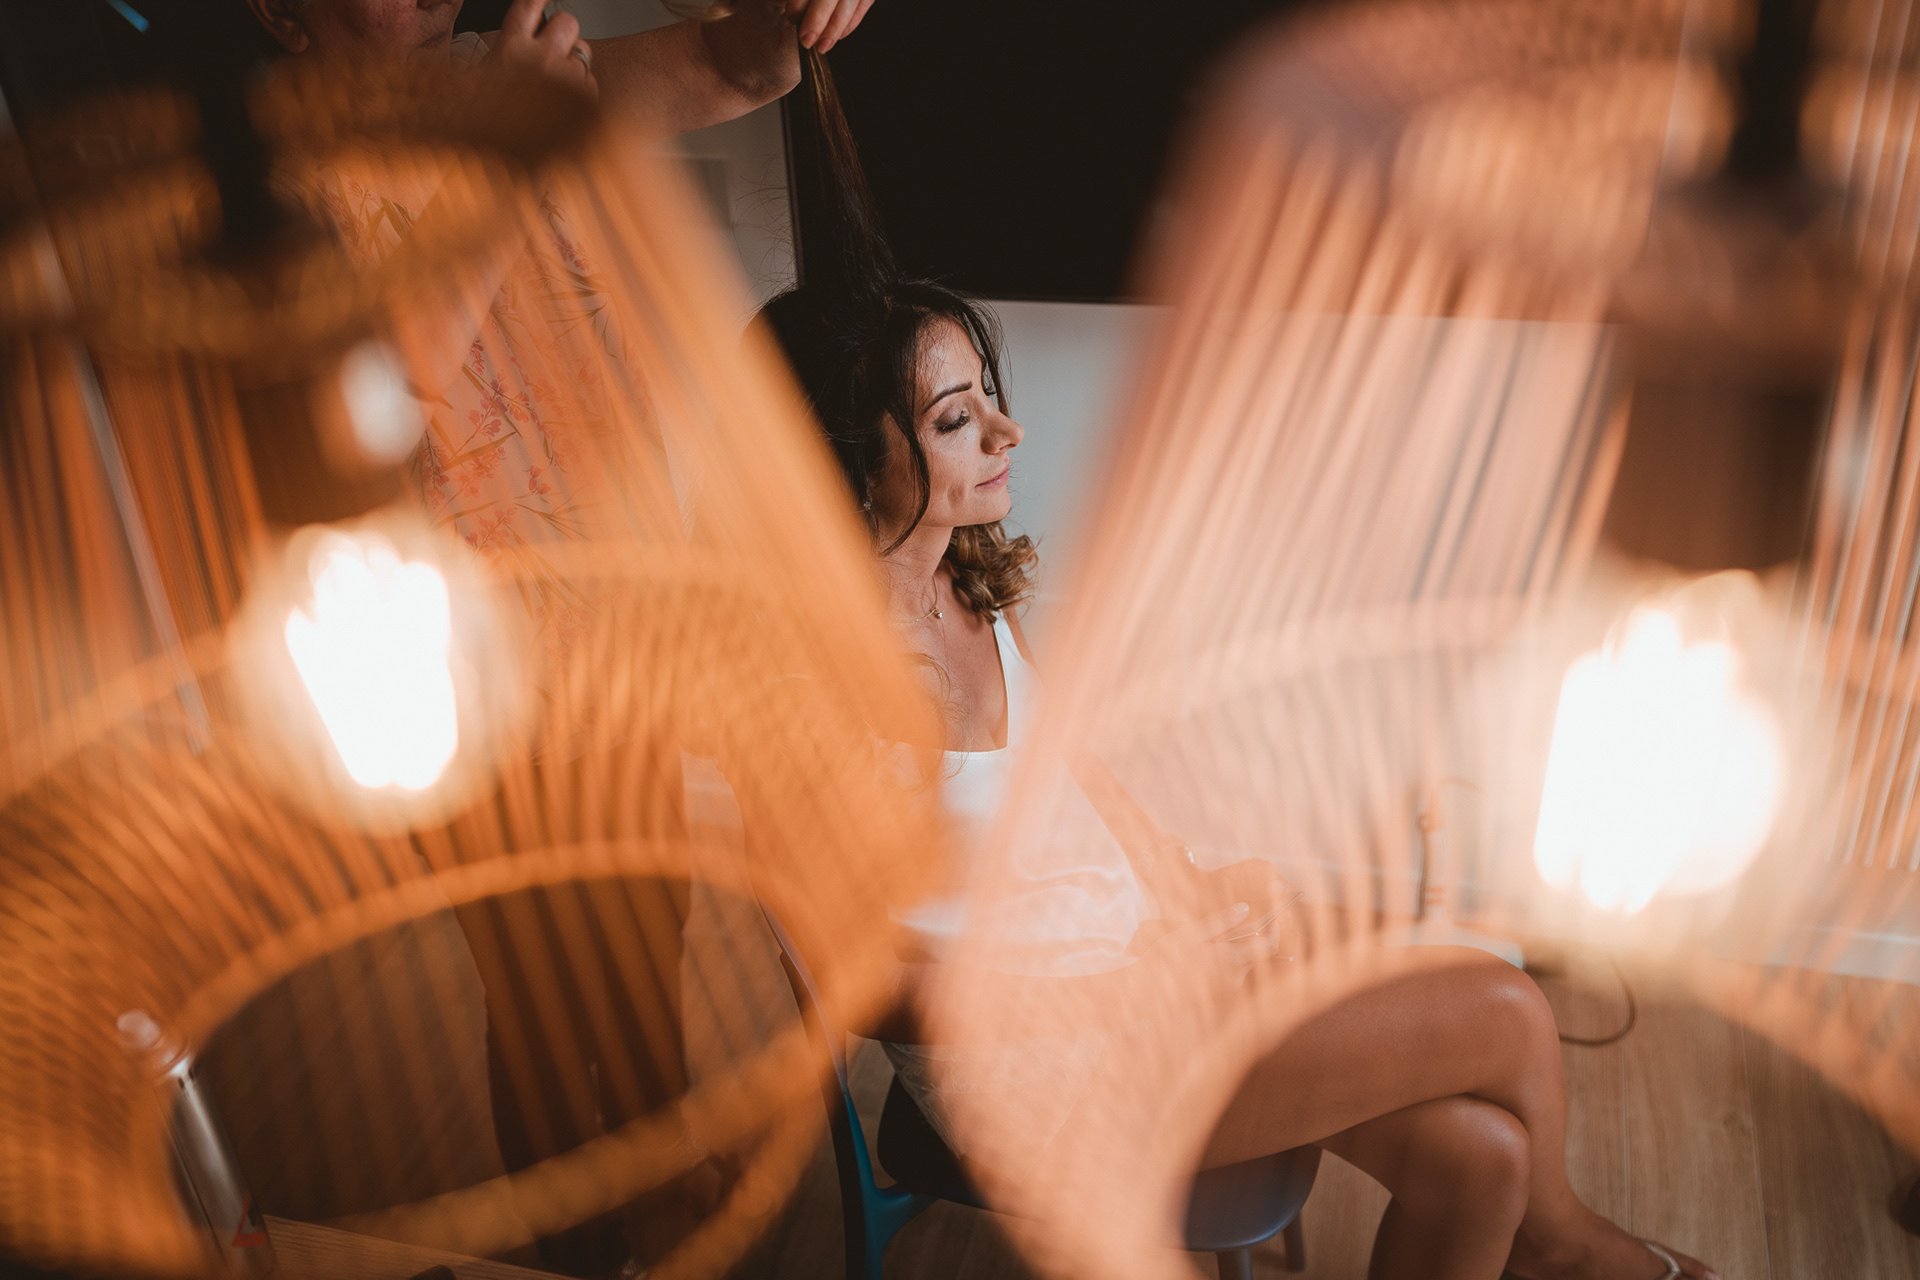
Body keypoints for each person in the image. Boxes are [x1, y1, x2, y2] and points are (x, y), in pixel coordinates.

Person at [754, 50, 1720, 1280]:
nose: (1008, 429)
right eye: (956, 419)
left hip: (1131, 971)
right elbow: (866, 988)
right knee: (1505, 1005)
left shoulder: (966, 581)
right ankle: (1573, 1251)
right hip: (1041, 1072)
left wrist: (1185, 882)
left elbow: (1068, 771)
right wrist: (1121, 991)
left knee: (1479, 1157)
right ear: (850, 467)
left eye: (986, 394)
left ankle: (1542, 1236)